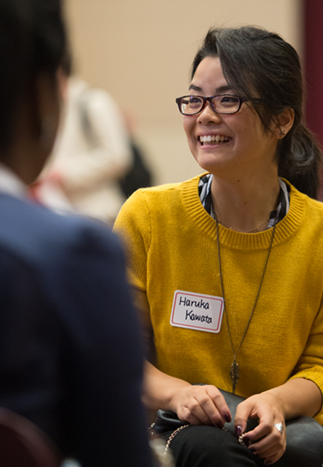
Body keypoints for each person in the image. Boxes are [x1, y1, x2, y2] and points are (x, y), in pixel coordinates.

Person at [114, 26, 323, 467]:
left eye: (227, 99)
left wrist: (276, 404)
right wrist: (179, 393)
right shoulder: (147, 216)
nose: (204, 115)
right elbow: (119, 354)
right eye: (194, 99)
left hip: (284, 441)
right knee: (212, 450)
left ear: (282, 119)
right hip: (173, 438)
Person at [0, 1, 153, 466]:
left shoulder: (95, 101)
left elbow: (117, 155)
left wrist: (65, 177)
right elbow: (118, 450)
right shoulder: (73, 256)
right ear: (42, 95)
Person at [31, 50, 134, 224]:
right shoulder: (49, 105)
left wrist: (65, 173)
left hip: (100, 214)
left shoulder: (93, 101)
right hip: (63, 212)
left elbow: (119, 156)